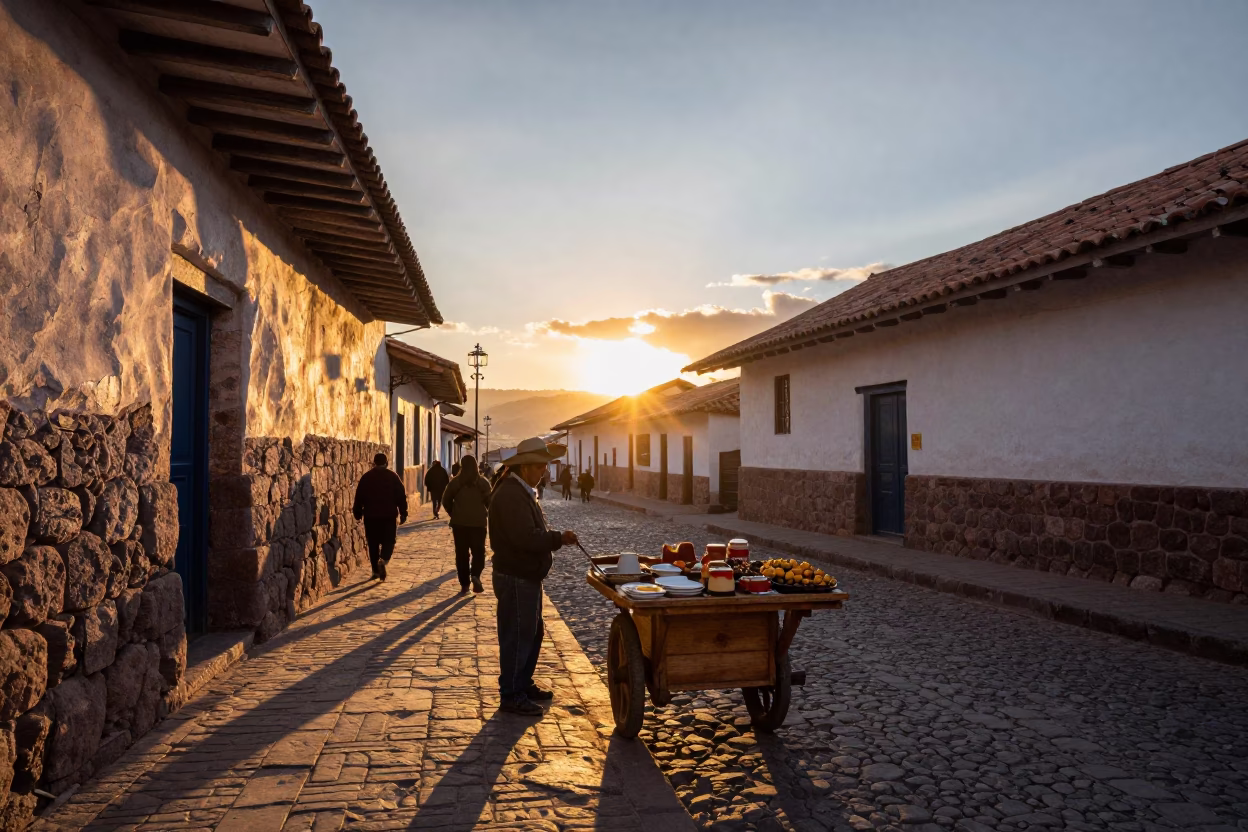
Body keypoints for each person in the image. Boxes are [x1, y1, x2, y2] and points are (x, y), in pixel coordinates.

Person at [488, 437, 578, 716]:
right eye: (541, 467)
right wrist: (557, 538)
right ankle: (511, 694)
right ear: (526, 467)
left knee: (532, 632)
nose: (544, 473)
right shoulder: (511, 494)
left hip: (525, 575)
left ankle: (522, 683)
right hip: (516, 575)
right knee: (517, 634)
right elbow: (524, 537)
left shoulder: (520, 490)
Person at [352, 452, 408, 581]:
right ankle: (383, 560)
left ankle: (375, 571)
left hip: (371, 516)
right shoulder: (393, 477)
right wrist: (404, 512)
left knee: (373, 544)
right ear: (386, 463)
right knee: (389, 540)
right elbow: (401, 496)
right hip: (388, 516)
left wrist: (357, 512)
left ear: (374, 463)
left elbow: (359, 496)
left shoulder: (366, 478)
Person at [443, 454, 491, 595]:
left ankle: (464, 584)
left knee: (462, 554)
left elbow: (446, 501)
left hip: (460, 525)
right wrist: (484, 513)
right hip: (478, 524)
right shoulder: (483, 483)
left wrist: (455, 513)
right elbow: (490, 503)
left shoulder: (455, 483)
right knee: (479, 552)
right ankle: (475, 575)